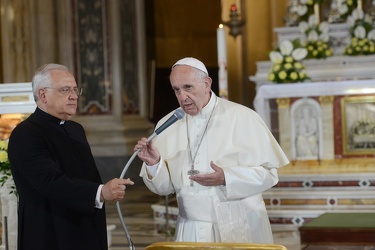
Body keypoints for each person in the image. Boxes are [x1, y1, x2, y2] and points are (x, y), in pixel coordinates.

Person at [134, 57, 290, 243]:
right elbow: (164, 188)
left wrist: (227, 178)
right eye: (177, 90)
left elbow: (269, 175)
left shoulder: (242, 117)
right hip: (190, 229)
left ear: (207, 84)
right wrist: (155, 165)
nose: (182, 97)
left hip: (239, 225)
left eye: (188, 87)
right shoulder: (168, 124)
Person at [8, 63, 134, 250]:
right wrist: (100, 192)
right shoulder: (25, 134)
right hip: (49, 233)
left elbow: (87, 176)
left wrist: (103, 190)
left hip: (84, 228)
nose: (74, 96)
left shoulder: (75, 129)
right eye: (65, 90)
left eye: (75, 89)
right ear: (43, 95)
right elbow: (49, 182)